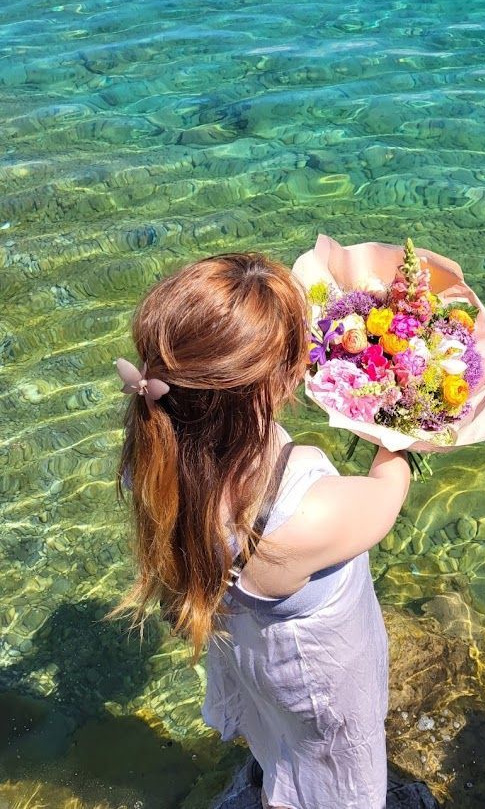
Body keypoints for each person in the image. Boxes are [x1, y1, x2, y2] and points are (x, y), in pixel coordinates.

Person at [108, 250, 411, 809]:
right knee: (330, 769)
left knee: (275, 733)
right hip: (314, 682)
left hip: (245, 650)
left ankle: (273, 776)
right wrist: (402, 415)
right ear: (272, 389)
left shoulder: (150, 455)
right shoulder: (305, 513)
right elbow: (386, 496)